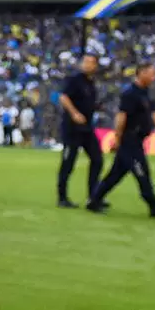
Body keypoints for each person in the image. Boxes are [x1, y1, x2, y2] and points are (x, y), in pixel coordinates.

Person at [87, 62, 155, 218]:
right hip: (130, 141)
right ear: (142, 73)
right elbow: (121, 117)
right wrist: (117, 138)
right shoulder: (130, 94)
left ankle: (94, 200)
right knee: (142, 173)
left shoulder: (147, 93)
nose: (154, 78)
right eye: (152, 74)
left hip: (137, 140)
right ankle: (154, 207)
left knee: (115, 174)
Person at [56, 55, 103, 208]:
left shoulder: (91, 83)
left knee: (97, 159)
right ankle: (62, 197)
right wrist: (74, 113)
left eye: (91, 62)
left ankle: (93, 196)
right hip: (72, 129)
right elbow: (64, 97)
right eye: (85, 62)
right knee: (68, 162)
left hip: (87, 128)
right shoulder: (75, 80)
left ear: (96, 66)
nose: (87, 65)